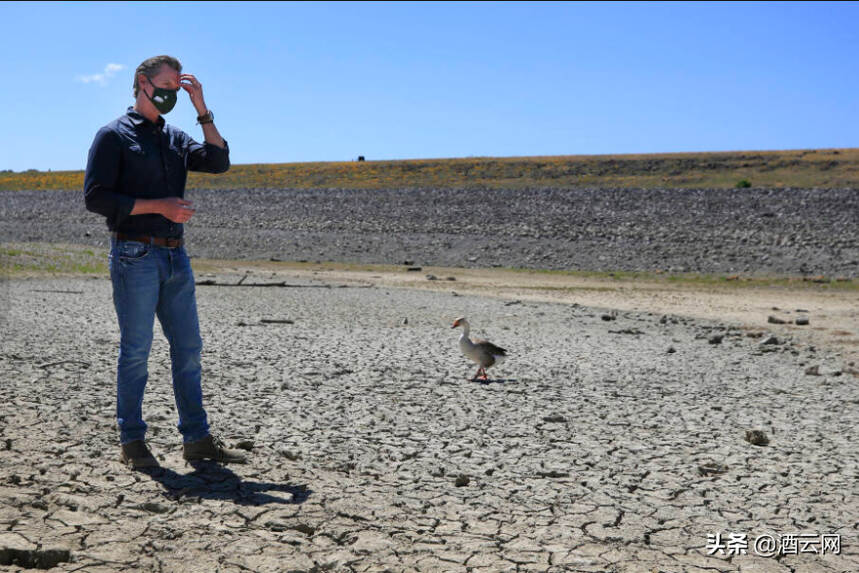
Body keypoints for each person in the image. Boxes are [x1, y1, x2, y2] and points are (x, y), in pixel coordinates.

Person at [84, 55, 246, 468]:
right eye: (167, 85)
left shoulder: (174, 138)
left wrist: (201, 108)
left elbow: (218, 161)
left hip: (176, 256)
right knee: (136, 350)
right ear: (142, 82)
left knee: (189, 349)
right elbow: (96, 198)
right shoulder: (113, 135)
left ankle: (197, 440)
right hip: (133, 253)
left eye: (178, 86)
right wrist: (160, 205)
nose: (172, 93)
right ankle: (132, 442)